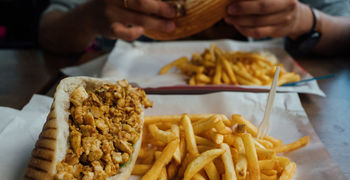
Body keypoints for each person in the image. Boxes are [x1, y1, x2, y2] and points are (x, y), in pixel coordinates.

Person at [39, 0, 350, 55]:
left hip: (271, 96)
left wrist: (305, 21)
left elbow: (344, 29)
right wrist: (92, 15)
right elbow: (50, 31)